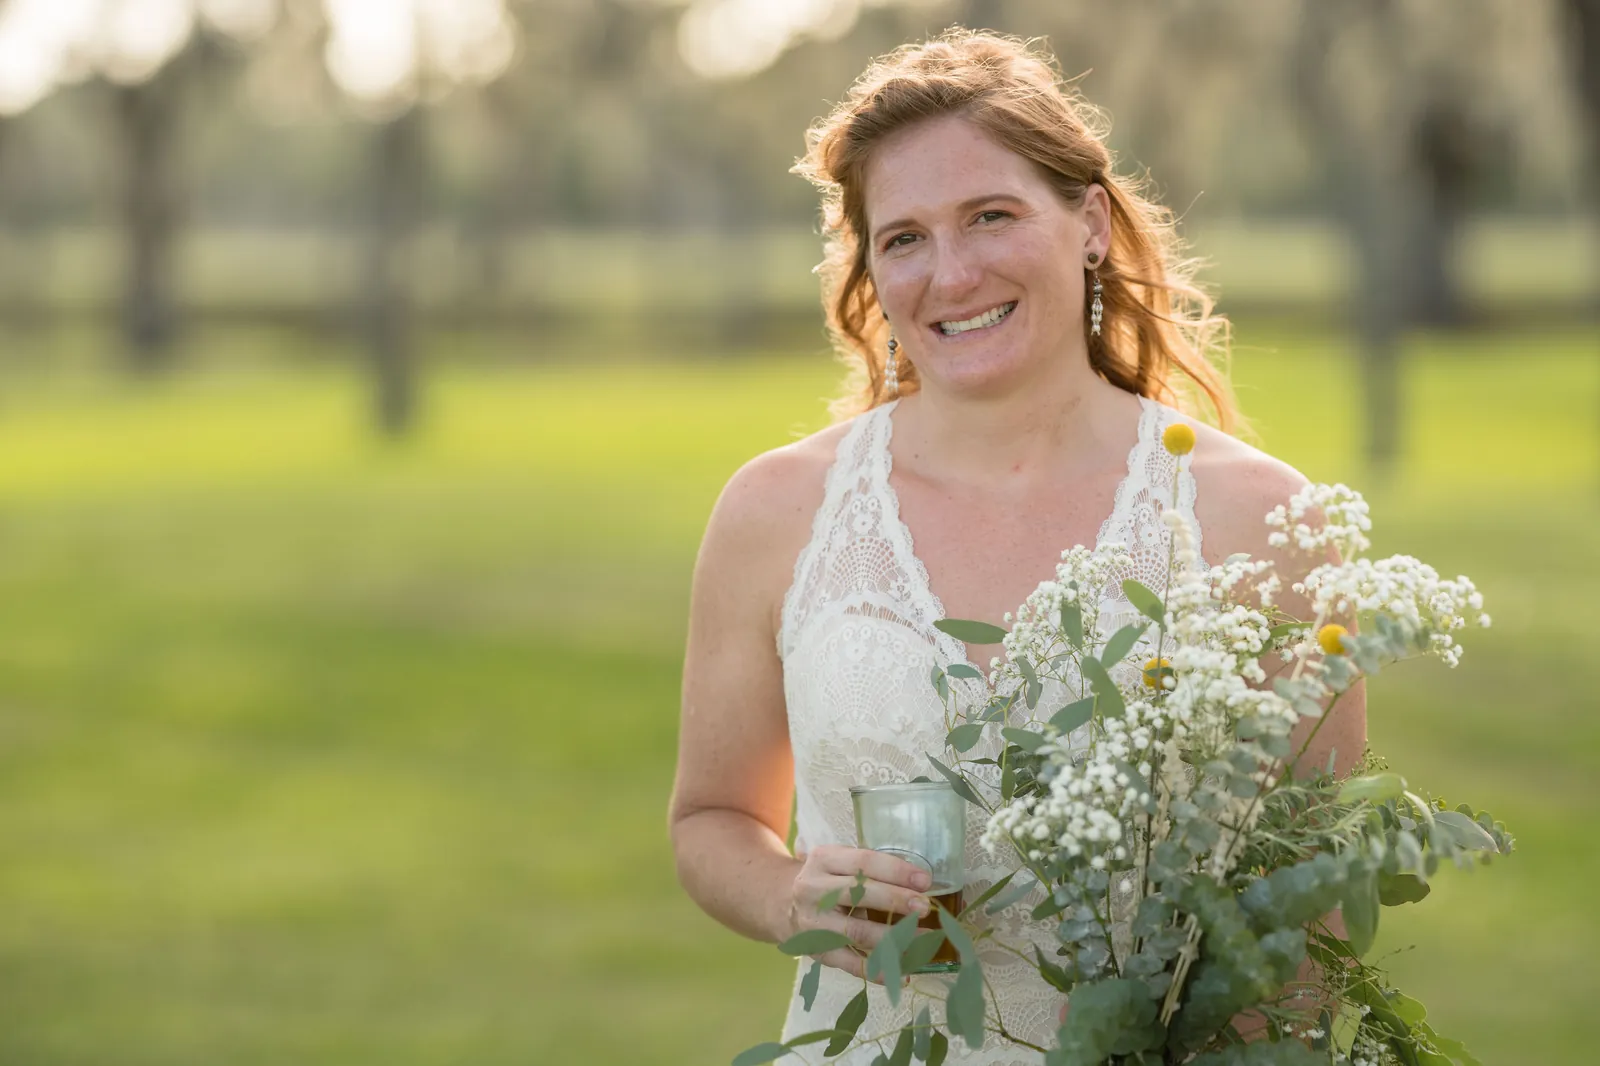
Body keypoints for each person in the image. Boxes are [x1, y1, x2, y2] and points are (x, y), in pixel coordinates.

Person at [667, 29, 1366, 1064]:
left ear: (1087, 221)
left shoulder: (1262, 524)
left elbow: (1312, 925)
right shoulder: (776, 511)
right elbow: (713, 816)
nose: (951, 273)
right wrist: (785, 893)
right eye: (902, 237)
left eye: (989, 216)